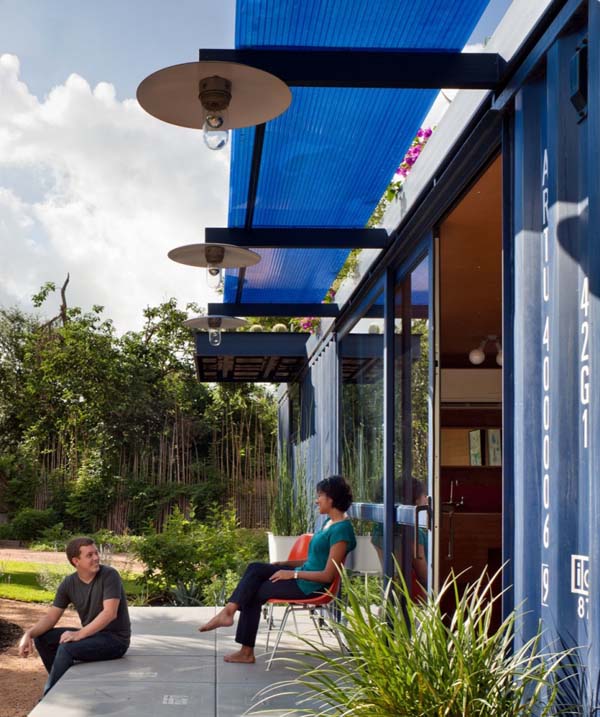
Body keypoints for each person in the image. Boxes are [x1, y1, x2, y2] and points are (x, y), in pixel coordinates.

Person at [199, 474, 356, 664]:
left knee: (255, 592)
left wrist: (293, 573)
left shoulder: (341, 531)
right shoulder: (329, 523)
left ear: (331, 498)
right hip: (302, 577)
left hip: (311, 586)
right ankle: (229, 614)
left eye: (320, 495)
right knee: (255, 568)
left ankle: (244, 647)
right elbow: (315, 560)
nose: (317, 500)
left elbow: (327, 575)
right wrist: (284, 565)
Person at [18, 536, 131, 695]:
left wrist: (79, 634)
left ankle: (50, 695)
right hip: (93, 635)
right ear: (76, 561)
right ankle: (62, 685)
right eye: (89, 555)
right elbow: (51, 618)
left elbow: (109, 613)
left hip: (115, 640)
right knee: (42, 638)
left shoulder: (109, 575)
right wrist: (28, 633)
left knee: (67, 648)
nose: (96, 558)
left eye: (96, 553)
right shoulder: (68, 583)